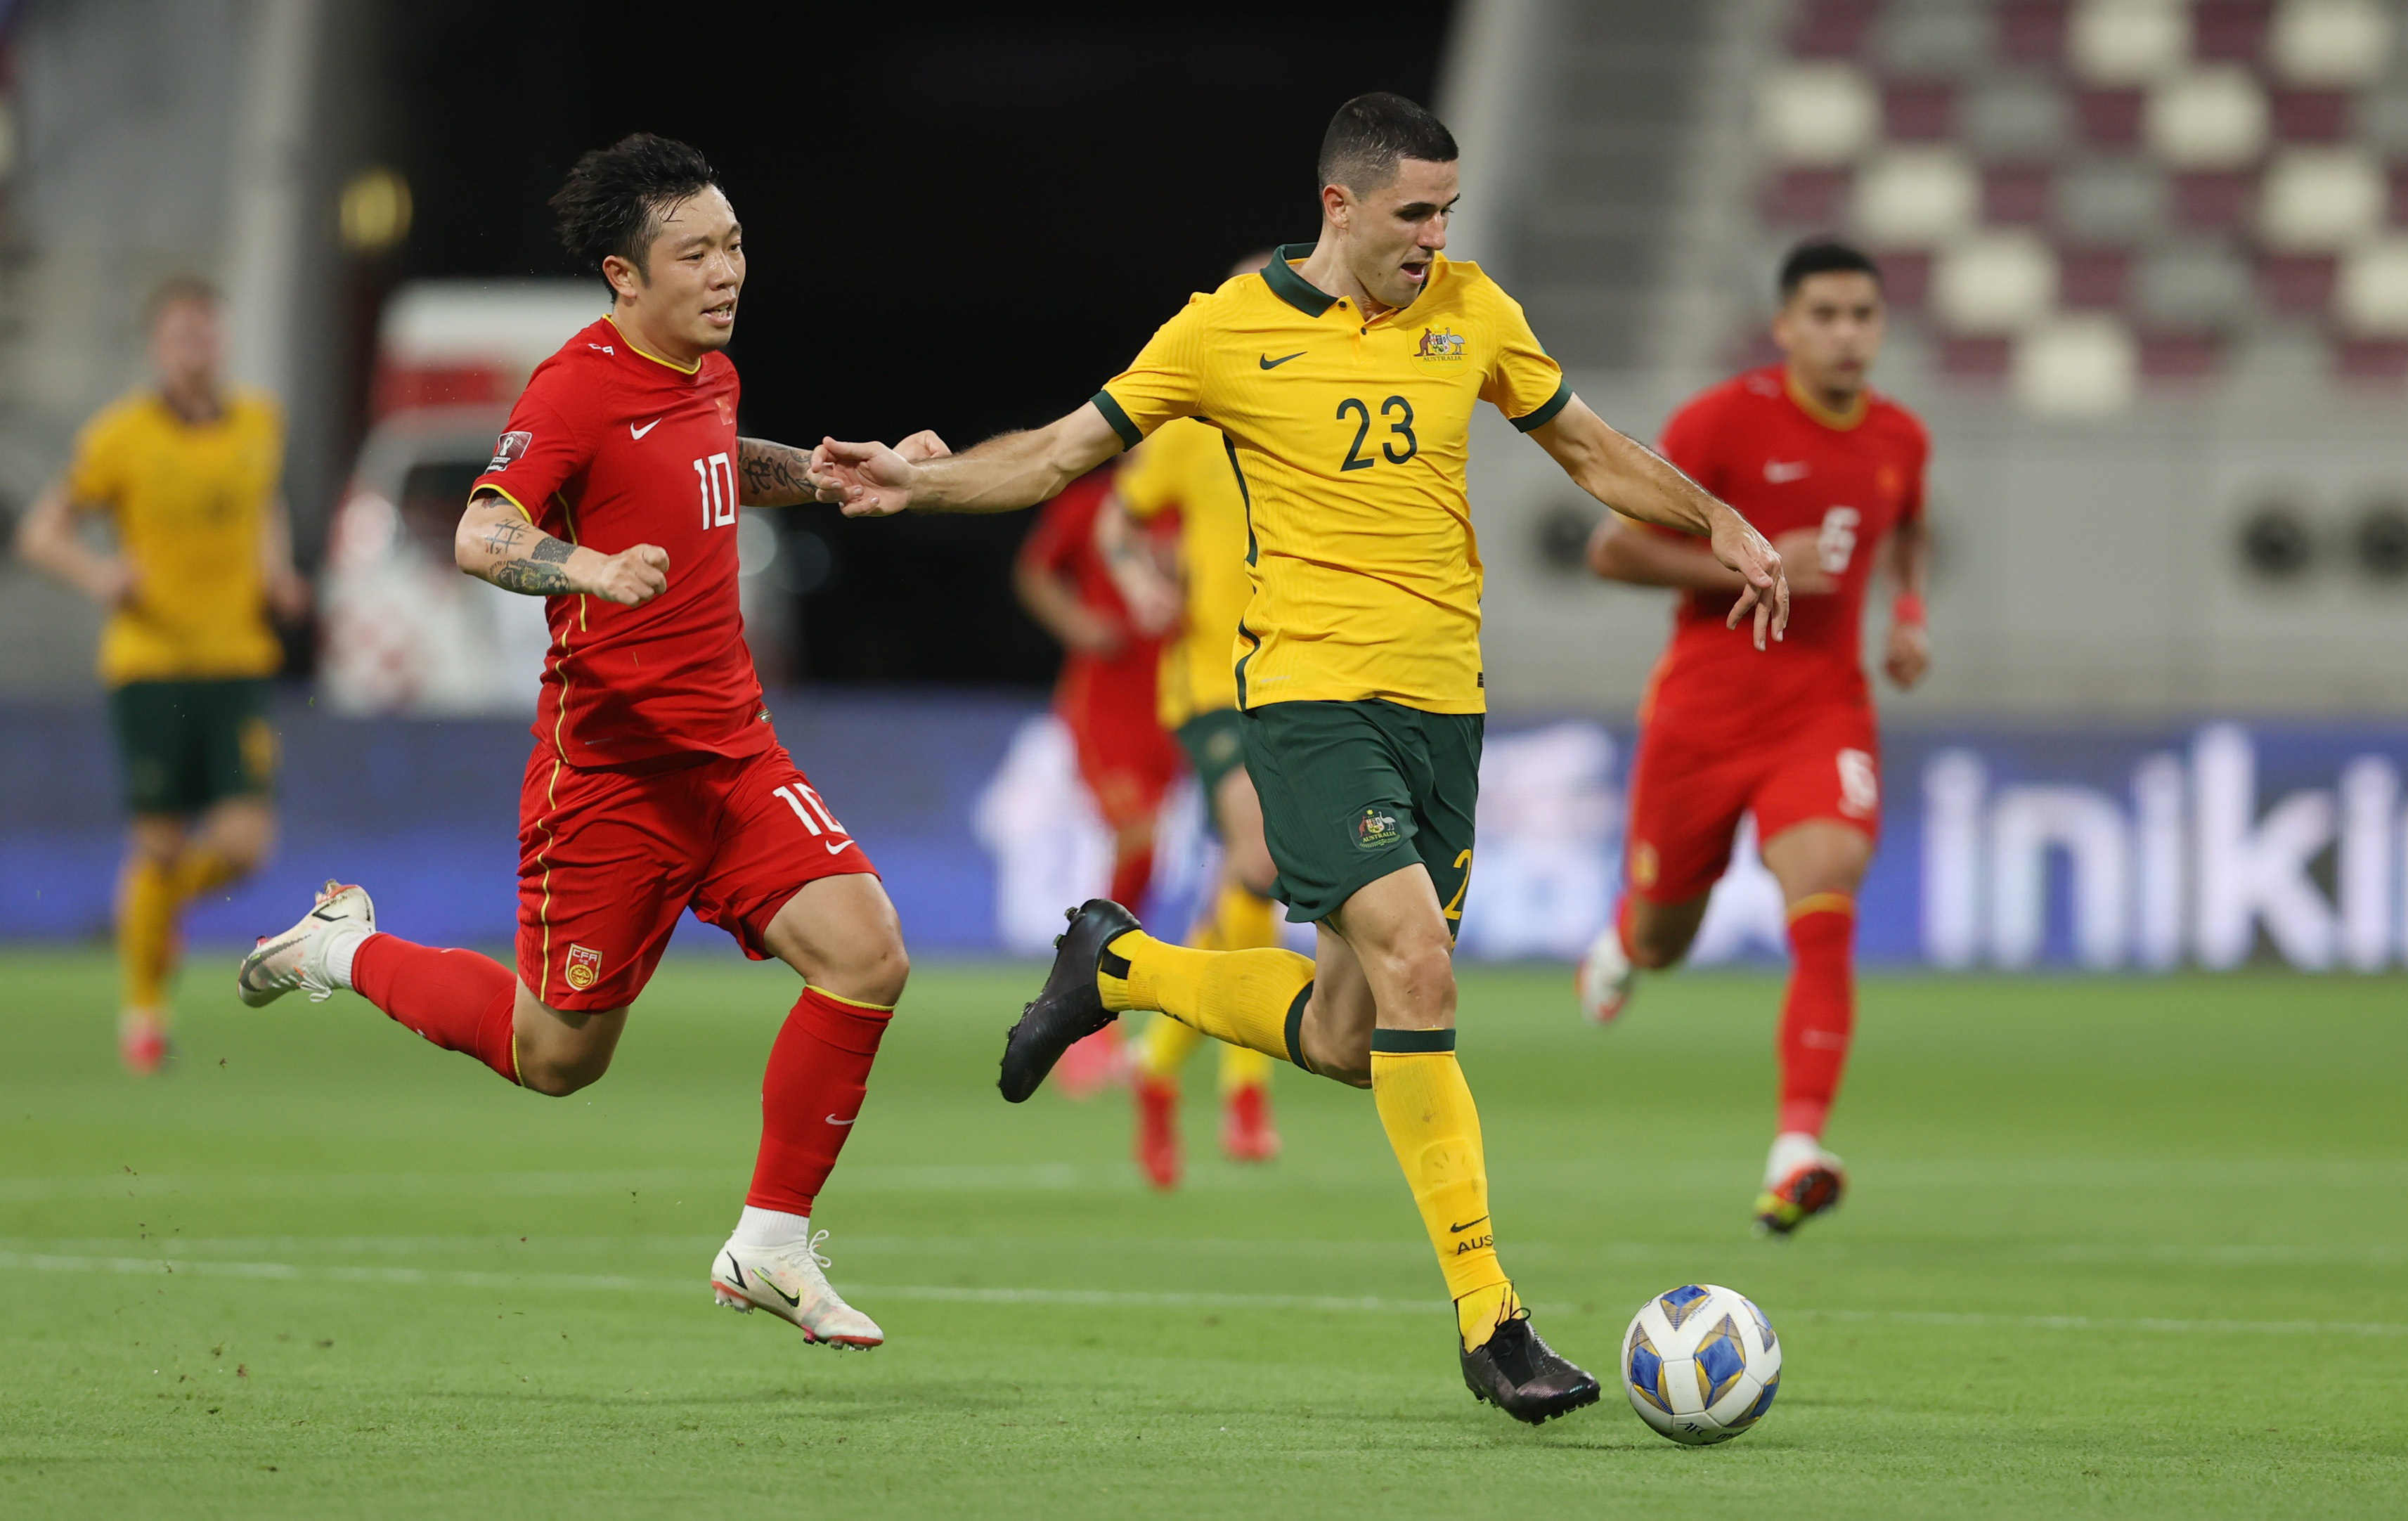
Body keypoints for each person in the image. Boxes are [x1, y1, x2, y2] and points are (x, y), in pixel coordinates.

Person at [810, 93, 1789, 1423]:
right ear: (1339, 205)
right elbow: (1054, 455)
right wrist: (914, 482)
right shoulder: (1223, 332)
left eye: (1448, 212)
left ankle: (1119, 964)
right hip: (1312, 701)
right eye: (1413, 215)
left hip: (1448, 710)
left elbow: (1586, 443)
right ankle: (1491, 1317)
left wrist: (1716, 514)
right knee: (1421, 965)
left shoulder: (1473, 309)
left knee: (1352, 1032)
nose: (1435, 238)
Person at [235, 134, 935, 1348]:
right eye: (696, 252)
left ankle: (768, 1241)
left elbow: (715, 466)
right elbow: (481, 534)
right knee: (555, 1054)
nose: (728, 271)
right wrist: (589, 567)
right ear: (624, 273)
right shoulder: (571, 387)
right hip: (608, 772)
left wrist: (824, 477)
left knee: (868, 952)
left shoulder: (707, 371)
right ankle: (345, 949)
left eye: (733, 244)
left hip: (731, 755)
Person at [1576, 238, 1930, 1237]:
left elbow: (1906, 528)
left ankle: (1796, 1149)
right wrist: (1748, 566)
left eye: (1862, 315)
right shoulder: (1722, 424)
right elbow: (1611, 549)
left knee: (1824, 903)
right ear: (1784, 327)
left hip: (1822, 712)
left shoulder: (1900, 439)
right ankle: (1619, 935)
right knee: (1662, 939)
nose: (1846, 333)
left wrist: (1907, 613)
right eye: (1824, 315)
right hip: (1702, 715)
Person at [15, 278, 309, 1075]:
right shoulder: (120, 437)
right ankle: (144, 1016)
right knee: (157, 839)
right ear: (157, 346)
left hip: (237, 661)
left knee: (247, 846)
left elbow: (262, 508)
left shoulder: (259, 422)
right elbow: (42, 532)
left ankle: (154, 908)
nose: (195, 347)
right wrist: (99, 575)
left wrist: (276, 570)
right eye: (181, 334)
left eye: (206, 333)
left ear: (222, 341)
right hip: (149, 668)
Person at [1094, 252, 1283, 1186]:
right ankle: (1245, 1089)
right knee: (1261, 863)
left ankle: (1157, 1067)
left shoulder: (1320, 422)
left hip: (1304, 683)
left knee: (1256, 889)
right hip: (1212, 684)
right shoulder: (1190, 427)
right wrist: (1137, 580)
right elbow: (1116, 522)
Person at [1009, 462, 1182, 1096]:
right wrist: (1078, 624)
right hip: (1105, 703)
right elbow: (1034, 571)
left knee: (1152, 858)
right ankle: (1088, 1008)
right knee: (1139, 835)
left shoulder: (1192, 497)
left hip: (1178, 701)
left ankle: (1112, 994)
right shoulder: (1094, 504)